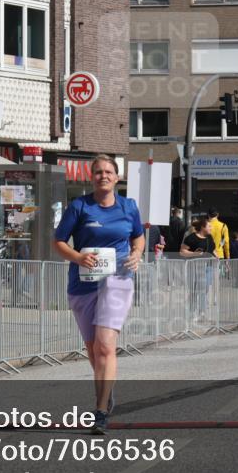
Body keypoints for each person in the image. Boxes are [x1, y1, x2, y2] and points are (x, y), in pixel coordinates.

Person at [53, 155, 144, 435]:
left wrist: (137, 253)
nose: (103, 175)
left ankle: (100, 410)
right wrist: (78, 257)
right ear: (91, 177)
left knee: (105, 345)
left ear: (117, 177)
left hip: (117, 280)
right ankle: (107, 391)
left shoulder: (129, 207)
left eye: (108, 172)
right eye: (98, 172)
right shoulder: (80, 206)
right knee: (93, 350)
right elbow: (58, 242)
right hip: (83, 284)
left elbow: (138, 237)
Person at [180, 217, 217, 320]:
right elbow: (182, 252)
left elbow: (213, 250)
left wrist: (216, 256)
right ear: (203, 227)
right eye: (209, 226)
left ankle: (202, 312)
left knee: (203, 290)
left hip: (207, 267)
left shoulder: (210, 238)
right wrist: (195, 254)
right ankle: (192, 312)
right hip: (194, 267)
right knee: (193, 291)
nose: (211, 228)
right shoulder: (191, 238)